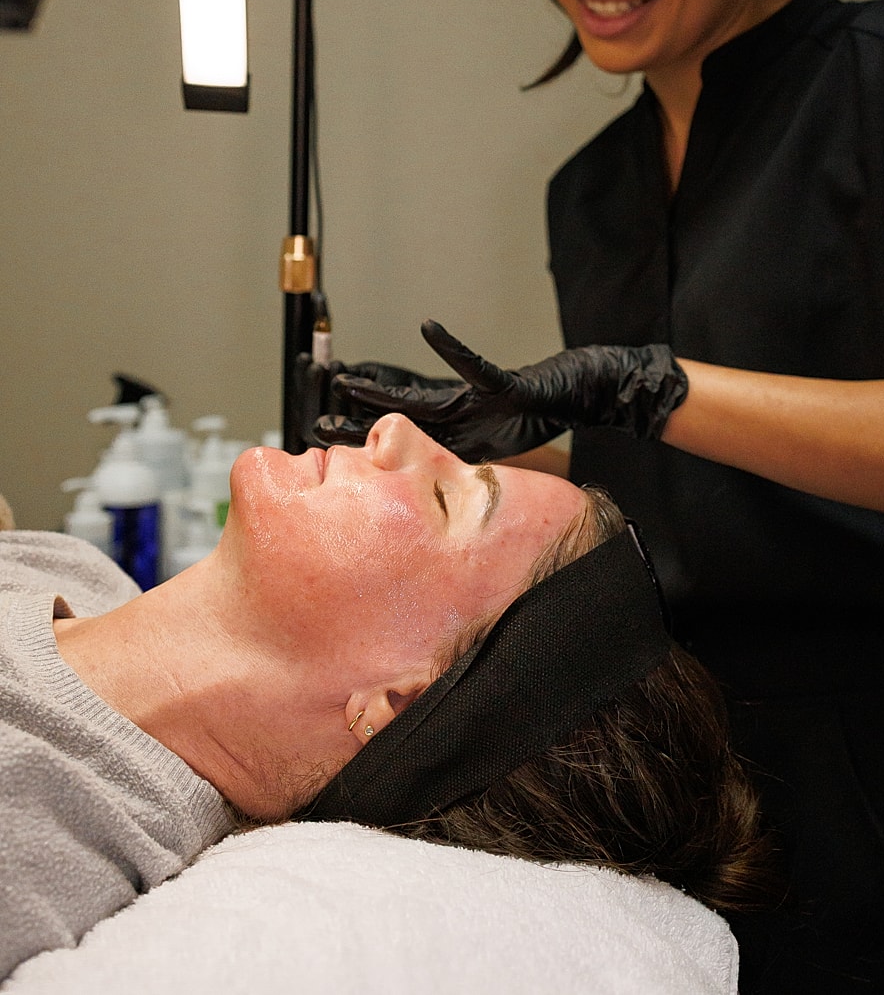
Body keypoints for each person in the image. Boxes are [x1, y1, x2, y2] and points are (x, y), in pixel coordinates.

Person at [318, 0, 884, 994]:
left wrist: (649, 384)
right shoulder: (593, 189)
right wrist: (494, 439)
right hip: (716, 794)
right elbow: (682, 479)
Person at [0, 412, 770, 981]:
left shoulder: (40, 821)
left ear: (398, 703)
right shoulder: (70, 570)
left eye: (444, 497)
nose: (394, 428)